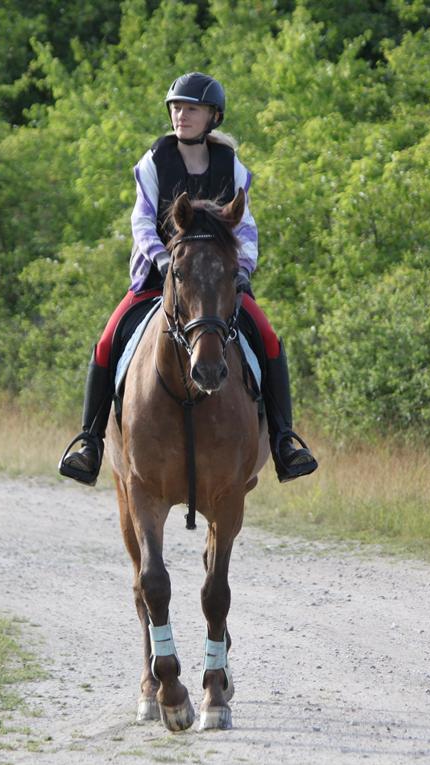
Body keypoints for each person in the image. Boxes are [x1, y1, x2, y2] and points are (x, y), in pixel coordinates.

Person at [58, 72, 318, 486]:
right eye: (177, 108)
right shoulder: (154, 161)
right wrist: (161, 259)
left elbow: (246, 226)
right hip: (158, 278)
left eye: (191, 109)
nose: (181, 115)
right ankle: (90, 442)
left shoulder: (230, 166)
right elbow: (142, 220)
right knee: (107, 341)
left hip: (216, 284)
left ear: (213, 116)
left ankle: (285, 441)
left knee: (268, 338)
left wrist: (243, 271)